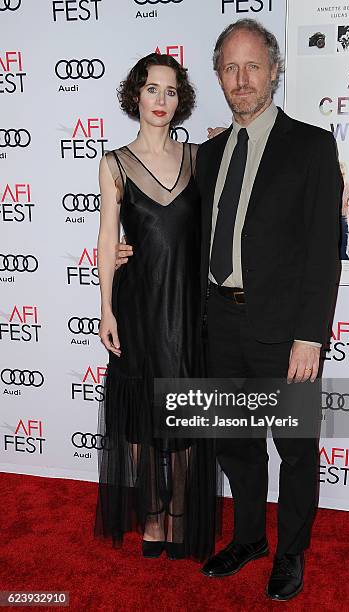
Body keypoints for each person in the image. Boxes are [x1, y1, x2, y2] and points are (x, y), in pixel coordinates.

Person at [116, 19, 342, 602]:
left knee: (294, 449)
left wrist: (310, 336)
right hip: (217, 326)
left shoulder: (312, 145)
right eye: (229, 68)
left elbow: (323, 250)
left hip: (285, 333)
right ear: (218, 76)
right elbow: (169, 223)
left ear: (274, 71)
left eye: (252, 67)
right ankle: (248, 539)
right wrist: (123, 251)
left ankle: (290, 550)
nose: (241, 79)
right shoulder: (208, 154)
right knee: (236, 446)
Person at [94, 52, 219, 562]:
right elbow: (106, 239)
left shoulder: (200, 158)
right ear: (135, 95)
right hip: (139, 304)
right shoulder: (114, 163)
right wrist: (105, 307)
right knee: (144, 417)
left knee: (187, 413)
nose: (161, 100)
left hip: (190, 308)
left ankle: (182, 514)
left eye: (170, 91)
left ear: (180, 98)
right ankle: (151, 513)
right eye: (151, 89)